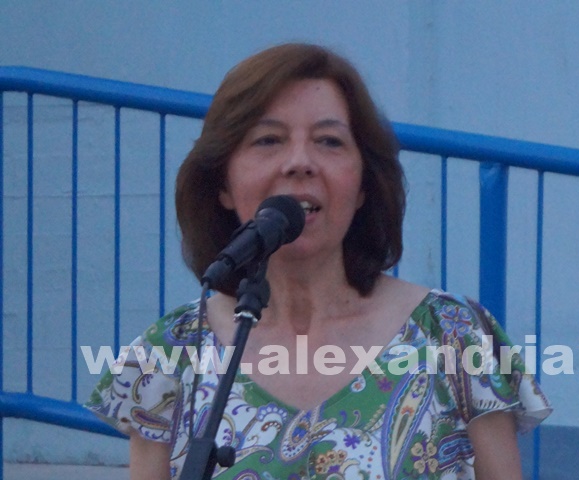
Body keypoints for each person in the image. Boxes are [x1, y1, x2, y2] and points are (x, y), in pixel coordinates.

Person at [86, 43, 551, 479]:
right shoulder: (171, 351)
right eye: (268, 140)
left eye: (329, 141)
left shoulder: (452, 333)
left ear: (363, 184)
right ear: (222, 185)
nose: (299, 162)